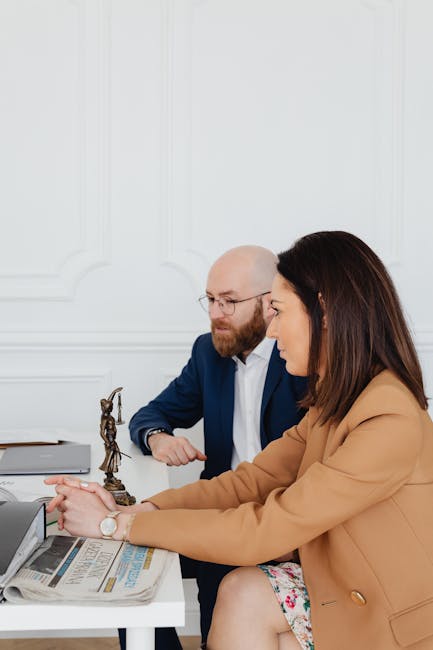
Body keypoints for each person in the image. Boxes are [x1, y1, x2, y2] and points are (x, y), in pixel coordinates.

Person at [46, 230, 433, 650]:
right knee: (239, 590)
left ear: (322, 312)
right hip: (337, 573)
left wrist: (115, 525)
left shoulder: (386, 417)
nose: (272, 330)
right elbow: (252, 480)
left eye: (279, 312)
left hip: (385, 609)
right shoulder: (337, 399)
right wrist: (140, 510)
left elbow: (270, 528)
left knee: (240, 593)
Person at [128, 245, 307, 648]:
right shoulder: (209, 353)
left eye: (229, 301)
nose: (215, 313)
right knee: (129, 568)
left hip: (282, 523)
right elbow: (149, 414)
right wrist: (158, 437)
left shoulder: (301, 358)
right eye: (210, 299)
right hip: (222, 511)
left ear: (270, 303)